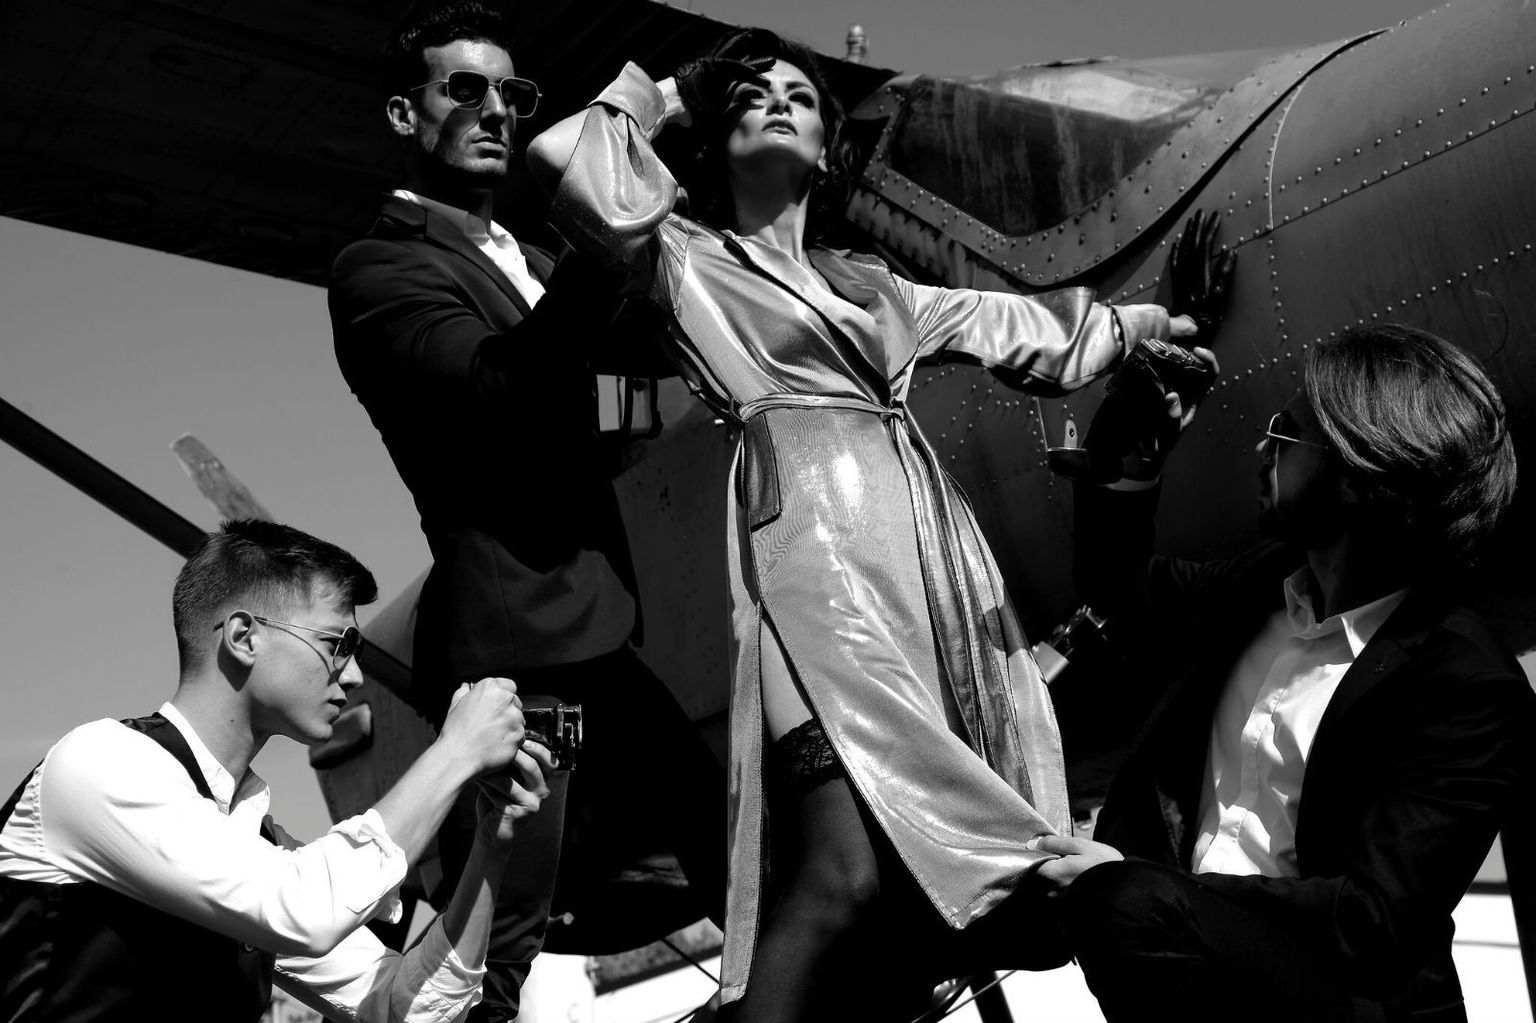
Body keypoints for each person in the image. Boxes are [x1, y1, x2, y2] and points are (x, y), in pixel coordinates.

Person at [526, 28, 1210, 1019]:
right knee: (841, 871)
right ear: (713, 139)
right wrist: (673, 90)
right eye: (751, 94)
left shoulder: (875, 286)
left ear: (827, 148)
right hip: (805, 553)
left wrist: (1151, 324)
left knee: (888, 892)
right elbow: (561, 154)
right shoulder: (681, 258)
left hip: (928, 560)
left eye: (801, 95)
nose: (778, 101)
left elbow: (1027, 331)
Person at [327, 3, 725, 1017]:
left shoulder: (533, 262)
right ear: (404, 113)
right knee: (506, 928)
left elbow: (620, 388)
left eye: (515, 93)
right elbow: (498, 393)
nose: (497, 109)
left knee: (734, 855)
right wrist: (601, 227)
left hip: (599, 632)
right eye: (466, 88)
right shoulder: (378, 270)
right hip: (519, 661)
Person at [1035, 325, 1534, 1022]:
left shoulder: (1469, 685)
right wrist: (1132, 457)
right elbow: (1120, 591)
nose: (1261, 447)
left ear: (1358, 476)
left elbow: (1370, 919)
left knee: (1124, 904)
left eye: (1285, 431)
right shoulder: (1261, 586)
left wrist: (1141, 883)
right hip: (1183, 957)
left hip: (1337, 1001)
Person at [0, 519, 553, 1022]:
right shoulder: (98, 763)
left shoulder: (258, 848)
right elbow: (305, 909)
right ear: (243, 637)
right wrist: (454, 752)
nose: (354, 675)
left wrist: (491, 842)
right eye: (338, 644)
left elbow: (404, 1008)